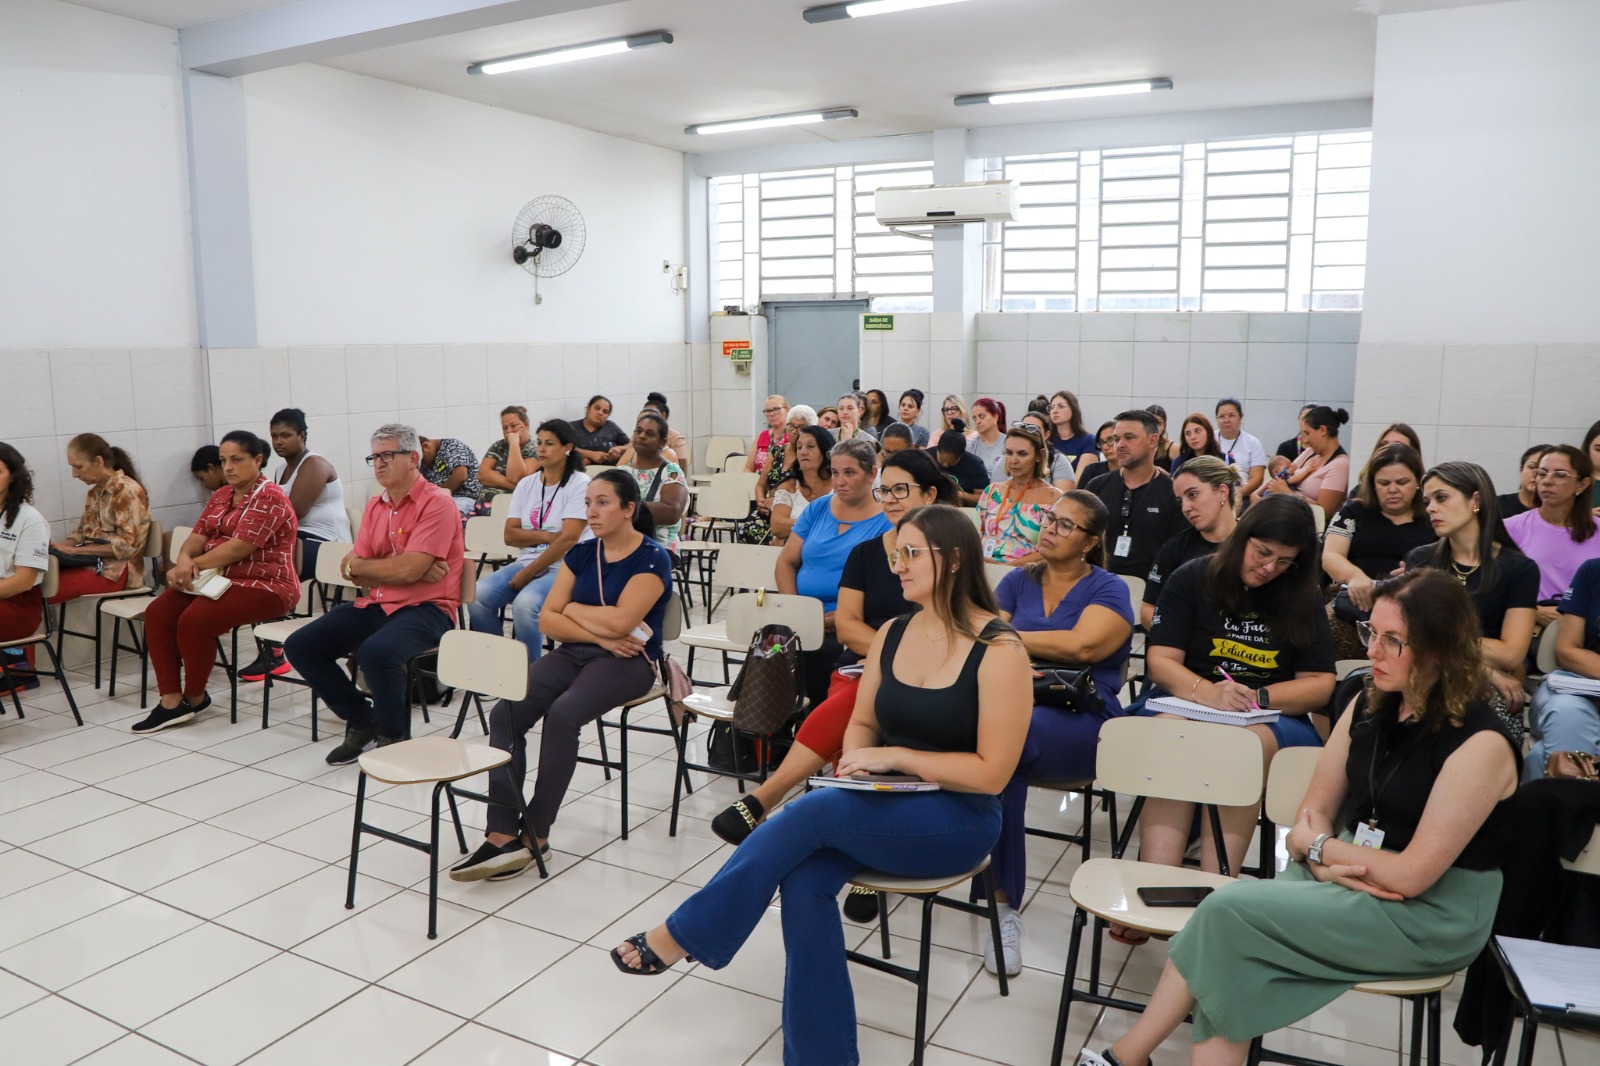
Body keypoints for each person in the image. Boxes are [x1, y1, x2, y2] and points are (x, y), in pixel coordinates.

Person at [612, 505, 1032, 1066]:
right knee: (805, 881)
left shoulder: (1000, 649)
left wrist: (894, 756)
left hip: (958, 816)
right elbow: (860, 719)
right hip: (881, 802)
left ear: (955, 560)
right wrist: (860, 759)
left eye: (911, 555)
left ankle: (685, 932)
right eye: (894, 555)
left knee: (808, 813)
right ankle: (822, 1057)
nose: (898, 567)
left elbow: (992, 773)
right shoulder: (894, 632)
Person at [1083, 568, 1517, 1066]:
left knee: (1226, 915)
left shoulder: (1482, 742)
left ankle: (1127, 1056)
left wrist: (1320, 848)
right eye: (1370, 632)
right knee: (1231, 944)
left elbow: (1412, 875)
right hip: (1348, 871)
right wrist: (1320, 854)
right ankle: (1128, 1058)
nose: (1371, 651)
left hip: (1432, 912)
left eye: (1392, 641)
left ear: (1441, 648)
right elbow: (1313, 811)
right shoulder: (1371, 699)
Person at [708, 450, 956, 876]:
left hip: (933, 670)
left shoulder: (949, 553)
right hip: (866, 659)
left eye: (902, 489)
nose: (892, 499)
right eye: (886, 490)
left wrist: (904, 654)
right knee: (860, 697)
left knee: (864, 704)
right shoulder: (865, 554)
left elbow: (958, 625)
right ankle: (864, 853)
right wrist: (892, 650)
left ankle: (769, 795)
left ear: (929, 494)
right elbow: (847, 625)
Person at [451, 470, 673, 881]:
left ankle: (537, 833)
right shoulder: (582, 553)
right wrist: (602, 634)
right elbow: (550, 621)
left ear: (629, 509)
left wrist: (574, 611)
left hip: (631, 663)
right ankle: (500, 834)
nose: (591, 511)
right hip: (583, 652)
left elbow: (625, 619)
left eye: (603, 502)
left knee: (564, 715)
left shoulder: (653, 557)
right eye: (588, 502)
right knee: (505, 714)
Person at [1124, 496, 1335, 927]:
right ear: (1242, 538)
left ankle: (1214, 894)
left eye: (1284, 562)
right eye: (1262, 553)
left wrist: (1259, 699)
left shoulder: (1302, 595)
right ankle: (1156, 885)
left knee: (1241, 745)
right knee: (1172, 734)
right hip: (1187, 699)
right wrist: (1208, 693)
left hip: (1268, 717)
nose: (1269, 568)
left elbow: (1319, 684)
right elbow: (1161, 661)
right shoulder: (1193, 576)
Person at [984, 490, 1134, 975]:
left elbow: (1083, 647)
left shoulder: (1108, 588)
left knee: (1002, 744)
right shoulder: (1016, 580)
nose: (1049, 528)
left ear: (1090, 541)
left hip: (1085, 720)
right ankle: (1002, 903)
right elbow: (982, 646)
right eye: (1049, 518)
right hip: (1017, 709)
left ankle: (1000, 905)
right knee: (1002, 749)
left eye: (1065, 525)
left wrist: (1009, 641)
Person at [283, 424, 465, 765]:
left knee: (375, 652)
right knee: (301, 646)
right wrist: (398, 566)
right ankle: (362, 720)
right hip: (378, 602)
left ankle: (394, 735)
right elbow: (350, 567)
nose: (378, 464)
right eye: (374, 457)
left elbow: (402, 570)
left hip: (427, 608)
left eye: (386, 455)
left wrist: (387, 567)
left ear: (412, 458)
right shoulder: (376, 506)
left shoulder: (437, 503)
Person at [132, 431, 299, 734]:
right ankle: (170, 700)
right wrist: (183, 559)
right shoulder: (221, 495)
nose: (229, 467)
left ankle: (195, 697)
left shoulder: (270, 496)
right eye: (224, 461)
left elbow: (240, 547)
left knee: (195, 621)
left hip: (265, 585)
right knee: (158, 613)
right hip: (217, 579)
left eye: (237, 460)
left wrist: (193, 565)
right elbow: (197, 536)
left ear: (258, 460)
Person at [1404, 462, 1538, 722]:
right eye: (1427, 501)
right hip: (1423, 675)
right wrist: (1486, 669)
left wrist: (1439, 639)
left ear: (1475, 500)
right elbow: (1410, 636)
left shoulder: (1520, 569)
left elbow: (1511, 654)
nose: (1431, 508)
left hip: (1477, 691)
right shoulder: (1421, 560)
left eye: (1441, 497)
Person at [777, 439, 893, 705]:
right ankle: (770, 737)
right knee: (772, 653)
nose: (840, 481)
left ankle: (814, 725)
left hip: (848, 622)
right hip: (802, 616)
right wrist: (796, 609)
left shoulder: (886, 521)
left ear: (872, 474)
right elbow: (786, 562)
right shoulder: (819, 508)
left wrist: (841, 618)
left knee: (818, 659)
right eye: (835, 472)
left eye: (849, 473)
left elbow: (881, 590)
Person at [467, 419, 592, 663]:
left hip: (566, 567)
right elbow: (510, 534)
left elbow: (568, 540)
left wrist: (529, 572)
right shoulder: (527, 484)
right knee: (478, 596)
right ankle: (499, 666)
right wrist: (548, 537)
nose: (541, 449)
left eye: (549, 444)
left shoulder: (581, 484)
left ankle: (531, 677)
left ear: (568, 447)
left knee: (526, 605)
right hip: (528, 560)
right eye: (539, 443)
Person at [1321, 443, 1435, 658]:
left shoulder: (1433, 517)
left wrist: (1418, 575)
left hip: (1414, 607)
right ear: (1372, 485)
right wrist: (1355, 576)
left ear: (1419, 483)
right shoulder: (1354, 511)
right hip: (1355, 602)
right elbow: (1331, 555)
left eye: (1402, 482)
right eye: (1384, 483)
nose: (1393, 489)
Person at [49, 434, 151, 605]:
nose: (74, 474)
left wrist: (75, 552)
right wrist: (59, 548)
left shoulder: (126, 491)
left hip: (116, 572)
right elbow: (82, 532)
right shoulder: (94, 492)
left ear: (99, 461)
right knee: (37, 576)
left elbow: (127, 547)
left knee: (42, 589)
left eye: (78, 467)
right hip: (93, 563)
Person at [1503, 444, 1600, 625]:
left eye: (1560, 475)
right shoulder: (1510, 527)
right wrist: (1534, 612)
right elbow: (1493, 586)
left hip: (1587, 627)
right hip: (1528, 627)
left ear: (1583, 483)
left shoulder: (1597, 530)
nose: (1547, 481)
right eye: (1542, 473)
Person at [1141, 457, 1241, 629]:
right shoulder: (1174, 549)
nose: (1185, 507)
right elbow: (1148, 610)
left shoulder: (1257, 545)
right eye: (1180, 501)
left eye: (1193, 495)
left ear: (1222, 492)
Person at [1523, 556, 1600, 779]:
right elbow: (1566, 650)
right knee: (1568, 712)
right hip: (1574, 687)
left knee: (1540, 757)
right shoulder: (1593, 571)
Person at [1085, 410, 1186, 579]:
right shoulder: (1096, 487)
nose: (1120, 444)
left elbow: (1179, 552)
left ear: (1153, 440)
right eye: (1116, 439)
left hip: (1151, 588)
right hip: (1098, 583)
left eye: (1129, 437)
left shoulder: (1173, 492)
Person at [264, 407, 350, 584]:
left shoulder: (315, 464)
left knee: (272, 553)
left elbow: (293, 513)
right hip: (299, 538)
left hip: (330, 544)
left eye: (285, 435)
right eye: (274, 436)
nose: (279, 441)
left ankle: (279, 606)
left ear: (302, 436)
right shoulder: (280, 470)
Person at [0, 444, 50, 695]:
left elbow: (22, 582)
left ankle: (15, 671)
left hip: (19, 606)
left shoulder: (30, 520)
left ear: (14, 477)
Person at [976, 425, 1063, 565]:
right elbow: (973, 536)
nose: (1013, 460)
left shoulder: (1055, 499)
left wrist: (1005, 567)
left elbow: (1055, 549)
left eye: (1022, 454)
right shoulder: (992, 491)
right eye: (1009, 453)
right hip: (983, 568)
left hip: (1027, 573)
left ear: (1039, 456)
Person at [1257, 405, 1351, 518]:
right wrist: (1256, 494)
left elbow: (1323, 513)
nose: (1305, 440)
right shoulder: (1310, 452)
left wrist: (1287, 493)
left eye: (1307, 433)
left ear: (1323, 430)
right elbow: (1280, 477)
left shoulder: (1340, 465)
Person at [621, 413, 689, 552]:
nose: (641, 436)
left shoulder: (671, 472)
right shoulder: (623, 472)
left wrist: (624, 507)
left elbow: (671, 513)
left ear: (662, 442)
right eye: (638, 431)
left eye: (649, 433)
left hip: (660, 548)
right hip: (623, 545)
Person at [770, 425, 834, 547]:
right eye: (799, 447)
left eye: (811, 446)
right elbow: (777, 526)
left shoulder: (839, 485)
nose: (803, 452)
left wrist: (793, 529)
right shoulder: (789, 486)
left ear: (826, 451)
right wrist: (821, 525)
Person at [476, 405, 537, 511]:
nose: (509, 431)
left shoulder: (534, 448)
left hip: (512, 506)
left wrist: (514, 443)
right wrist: (514, 486)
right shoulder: (498, 446)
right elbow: (482, 474)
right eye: (505, 428)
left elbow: (517, 478)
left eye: (513, 426)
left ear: (525, 425)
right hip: (484, 503)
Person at [1213, 398, 1268, 501]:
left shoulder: (1253, 443)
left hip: (1242, 496)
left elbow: (1257, 478)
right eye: (1221, 416)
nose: (1226, 420)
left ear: (1241, 417)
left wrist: (1236, 495)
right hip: (1212, 495)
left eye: (1231, 415)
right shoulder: (1209, 438)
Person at [745, 395, 790, 519]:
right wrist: (758, 488)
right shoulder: (762, 436)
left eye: (776, 409)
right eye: (768, 411)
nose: (772, 414)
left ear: (787, 410)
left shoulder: (791, 437)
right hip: (759, 487)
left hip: (780, 488)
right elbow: (748, 468)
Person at [418, 435, 482, 517]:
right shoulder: (426, 463)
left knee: (441, 516)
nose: (422, 465)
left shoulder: (453, 446)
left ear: (425, 446)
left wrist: (437, 495)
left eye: (422, 461)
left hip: (465, 498)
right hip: (440, 500)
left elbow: (460, 476)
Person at [1020, 411, 1079, 490]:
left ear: (1046, 434)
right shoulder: (1008, 458)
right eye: (1023, 428)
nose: (1027, 433)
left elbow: (1064, 498)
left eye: (1033, 429)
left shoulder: (1059, 460)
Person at [934, 426, 991, 507]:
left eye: (951, 463)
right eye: (941, 461)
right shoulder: (926, 458)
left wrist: (962, 495)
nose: (945, 465)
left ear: (961, 456)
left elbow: (984, 498)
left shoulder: (975, 464)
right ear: (937, 450)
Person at [568, 395, 630, 465]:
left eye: (605, 412)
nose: (600, 413)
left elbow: (631, 445)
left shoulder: (611, 427)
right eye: (597, 408)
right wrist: (591, 454)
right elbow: (563, 448)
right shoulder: (572, 427)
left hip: (610, 471)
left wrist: (619, 449)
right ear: (588, 408)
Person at [1498, 444, 1550, 519]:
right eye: (1532, 467)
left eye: (1543, 471)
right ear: (1521, 469)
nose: (1536, 474)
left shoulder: (1558, 511)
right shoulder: (1497, 505)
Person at [1048, 390, 1098, 468]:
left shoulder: (1089, 441)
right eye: (1052, 407)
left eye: (1061, 406)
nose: (1055, 411)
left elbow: (1082, 478)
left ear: (1073, 409)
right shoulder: (1047, 441)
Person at [969, 397, 1007, 478]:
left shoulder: (1008, 443)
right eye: (974, 418)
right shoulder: (969, 446)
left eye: (982, 416)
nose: (977, 421)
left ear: (995, 417)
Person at [1146, 404, 1180, 469]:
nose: (1155, 427)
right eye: (1151, 422)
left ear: (1164, 425)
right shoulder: (1138, 446)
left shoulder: (1173, 448)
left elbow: (1183, 476)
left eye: (1159, 423)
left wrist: (1163, 474)